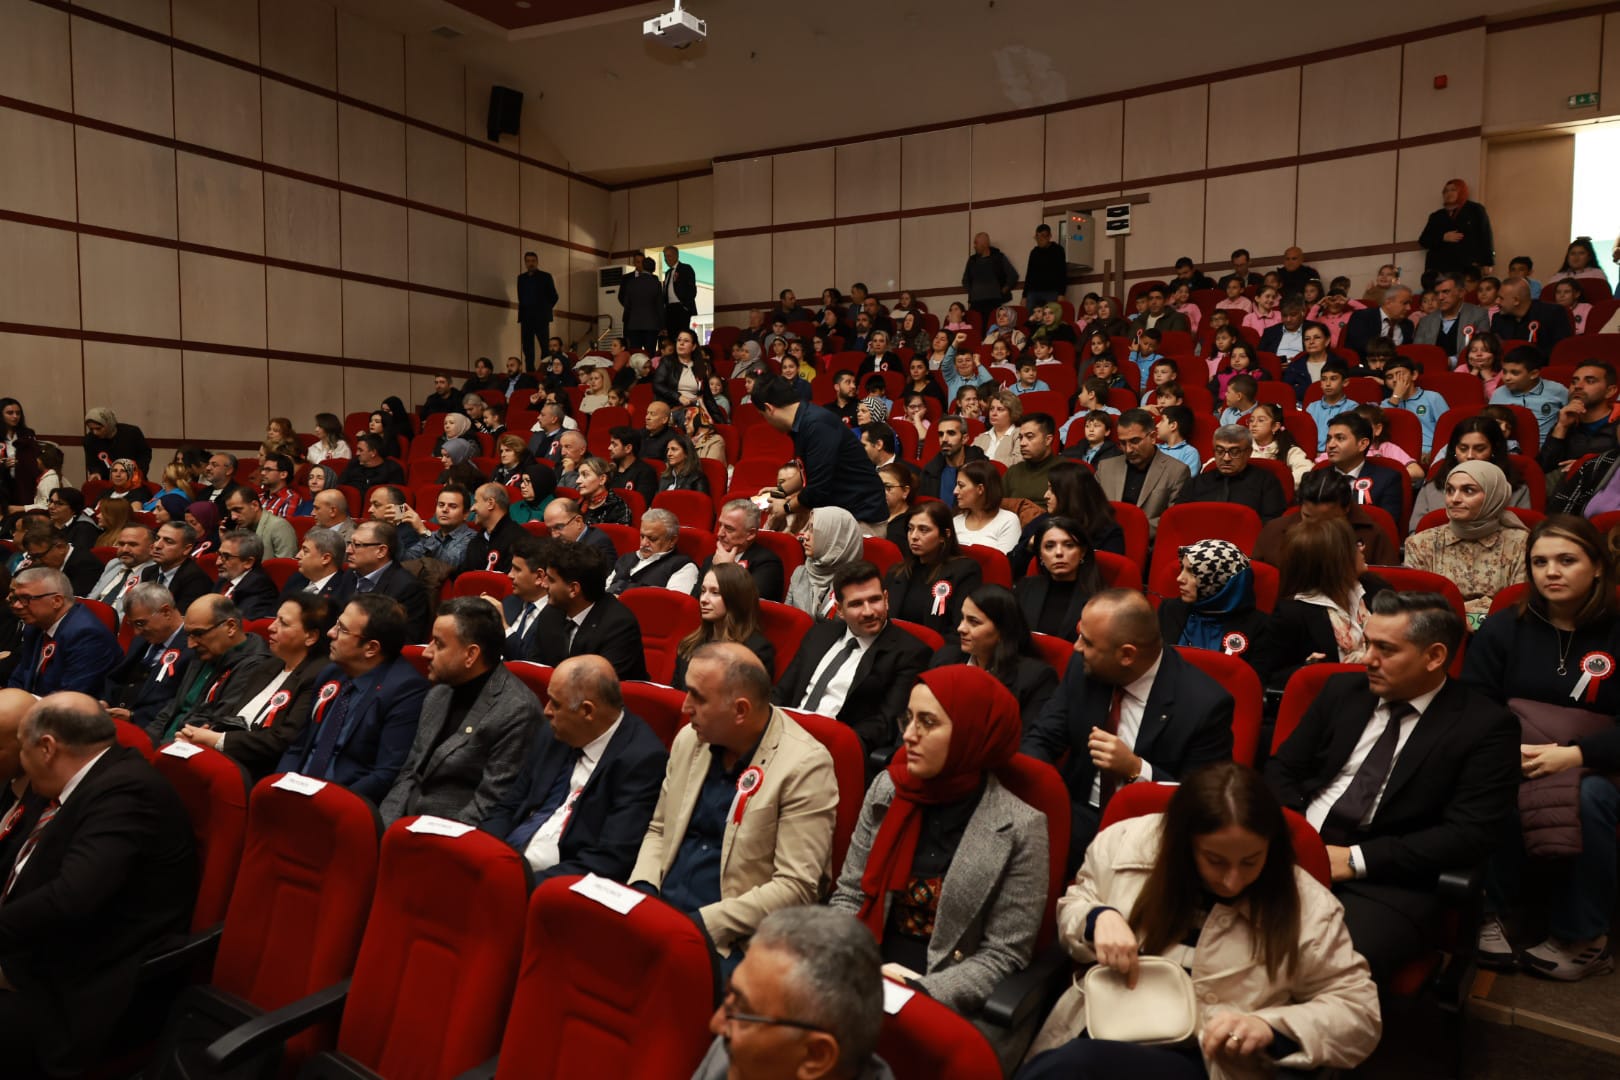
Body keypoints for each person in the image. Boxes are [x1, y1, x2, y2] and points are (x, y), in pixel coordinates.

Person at [1021, 762, 1381, 1079]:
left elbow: (1358, 1012)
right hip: (1106, 1021)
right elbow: (1076, 902)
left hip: (1207, 1059)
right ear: (1183, 844)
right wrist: (1097, 918)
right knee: (1075, 1063)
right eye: (1215, 861)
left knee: (1074, 1066)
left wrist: (1270, 1028)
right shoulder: (1126, 843)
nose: (1232, 881)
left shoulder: (1307, 906)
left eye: (1250, 861)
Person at [1266, 591, 1518, 983]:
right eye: (1368, 643)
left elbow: (1470, 834)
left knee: (1318, 968)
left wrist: (1355, 860)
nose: (1367, 659)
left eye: (1385, 649)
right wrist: (1294, 833)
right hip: (1292, 849)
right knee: (1213, 932)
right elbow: (1282, 769)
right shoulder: (1341, 691)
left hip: (1386, 880)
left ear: (1434, 656)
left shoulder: (1485, 726)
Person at [828, 665, 1046, 1071]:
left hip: (944, 991)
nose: (909, 735)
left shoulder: (1020, 827)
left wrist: (921, 990)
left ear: (971, 735)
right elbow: (851, 895)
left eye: (928, 722)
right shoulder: (888, 788)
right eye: (908, 719)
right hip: (862, 965)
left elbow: (1003, 955)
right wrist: (847, 966)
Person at [0, 692, 198, 1077]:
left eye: (22, 749)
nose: (19, 762)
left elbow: (70, 899)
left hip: (82, 986)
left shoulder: (128, 793)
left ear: (47, 748)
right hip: (40, 953)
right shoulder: (72, 780)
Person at [1464, 516, 1620, 979]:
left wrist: (1575, 755)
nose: (1551, 571)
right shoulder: (1504, 627)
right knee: (1487, 780)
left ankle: (1585, 937)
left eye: (1566, 560)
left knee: (1589, 797)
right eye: (1539, 562)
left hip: (1600, 761)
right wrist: (1506, 751)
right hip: (1517, 751)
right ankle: (1488, 912)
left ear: (1597, 567)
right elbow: (1474, 704)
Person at [632, 643, 839, 972]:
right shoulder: (690, 739)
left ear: (740, 710)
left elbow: (796, 887)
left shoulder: (805, 767)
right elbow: (659, 828)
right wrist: (643, 892)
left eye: (698, 697)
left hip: (730, 939)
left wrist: (697, 925)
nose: (685, 707)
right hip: (660, 910)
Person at [1022, 589, 1235, 869]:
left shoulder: (1204, 705)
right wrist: (1042, 797)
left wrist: (1136, 769)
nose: (1076, 647)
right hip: (1077, 813)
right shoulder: (1085, 667)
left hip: (1150, 832)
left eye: (1087, 641)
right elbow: (1042, 738)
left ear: (1126, 655)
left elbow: (1204, 801)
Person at [481, 653, 667, 883]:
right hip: (506, 860)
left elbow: (609, 860)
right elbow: (509, 805)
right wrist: (481, 853)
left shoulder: (641, 760)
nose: (546, 711)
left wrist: (520, 884)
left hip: (554, 882)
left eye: (556, 704)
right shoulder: (554, 732)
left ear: (587, 711)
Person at [378, 598, 540, 825]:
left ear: (470, 654)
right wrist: (385, 829)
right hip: (404, 824)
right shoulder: (439, 692)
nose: (427, 652)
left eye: (438, 644)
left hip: (449, 834)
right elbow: (409, 773)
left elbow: (489, 804)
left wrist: (428, 839)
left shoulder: (517, 711)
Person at [692, 906, 895, 1080]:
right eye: (730, 994)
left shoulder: (737, 1050)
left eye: (742, 1009)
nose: (716, 1024)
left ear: (816, 1056)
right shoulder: (730, 1053)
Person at [277, 594, 432, 801]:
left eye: (342, 629)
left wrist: (325, 801)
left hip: (343, 800)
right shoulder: (330, 673)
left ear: (371, 648)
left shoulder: (405, 690)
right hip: (297, 790)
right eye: (336, 624)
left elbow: (386, 774)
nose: (331, 632)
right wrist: (281, 786)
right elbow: (299, 745)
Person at [774, 562, 931, 758]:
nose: (869, 612)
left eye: (875, 600)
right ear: (839, 609)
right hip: (784, 736)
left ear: (886, 599)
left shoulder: (910, 653)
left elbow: (884, 724)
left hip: (832, 750)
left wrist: (827, 745)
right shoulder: (819, 634)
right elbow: (783, 692)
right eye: (856, 604)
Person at [171, 593, 332, 780]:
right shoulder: (268, 666)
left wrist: (217, 740)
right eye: (275, 619)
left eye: (283, 623)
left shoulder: (317, 676)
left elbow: (283, 740)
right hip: (227, 758)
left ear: (310, 636)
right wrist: (205, 733)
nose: (271, 627)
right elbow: (233, 717)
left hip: (259, 773)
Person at [1255, 516, 1393, 692]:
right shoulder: (1292, 614)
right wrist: (1307, 670)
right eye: (1355, 545)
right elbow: (1267, 678)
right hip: (1335, 697)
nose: (1362, 548)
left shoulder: (1377, 588)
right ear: (1335, 560)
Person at [756, 374, 888, 532]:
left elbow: (816, 489)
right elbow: (811, 469)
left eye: (763, 416)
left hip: (861, 517)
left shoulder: (817, 424)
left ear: (769, 408)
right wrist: (780, 491)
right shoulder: (803, 421)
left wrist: (785, 507)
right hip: (844, 514)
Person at [930, 586, 1057, 729]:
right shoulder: (945, 659)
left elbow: (1027, 738)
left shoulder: (1035, 679)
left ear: (1003, 630)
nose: (961, 628)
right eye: (962, 618)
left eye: (973, 622)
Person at [528, 541, 648, 682]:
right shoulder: (551, 613)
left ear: (573, 589)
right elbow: (535, 669)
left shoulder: (619, 626)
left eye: (551, 580)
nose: (543, 584)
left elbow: (601, 687)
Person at [6, 567, 122, 696]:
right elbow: (19, 678)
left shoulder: (89, 636)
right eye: (15, 598)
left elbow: (71, 696)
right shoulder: (34, 626)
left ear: (57, 601)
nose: (16, 605)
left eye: (25, 598)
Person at [1253, 469, 1400, 569]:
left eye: (1326, 521)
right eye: (1308, 517)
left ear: (1346, 508)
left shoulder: (1373, 535)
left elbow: (1387, 590)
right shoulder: (1275, 531)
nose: (1316, 526)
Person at [1410, 416, 1529, 530]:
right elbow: (1416, 533)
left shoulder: (1516, 490)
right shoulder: (1432, 488)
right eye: (1463, 449)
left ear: (1494, 450)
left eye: (1480, 449)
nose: (1470, 456)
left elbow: (1523, 534)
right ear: (1454, 450)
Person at [885, 502, 982, 638]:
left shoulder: (964, 572)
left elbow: (958, 630)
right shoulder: (896, 572)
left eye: (924, 530)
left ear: (944, 535)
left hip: (935, 649)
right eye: (910, 529)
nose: (914, 536)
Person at [675, 564, 775, 691]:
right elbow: (675, 693)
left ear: (735, 599)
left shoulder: (755, 651)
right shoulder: (689, 644)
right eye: (703, 591)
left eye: (715, 593)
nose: (703, 599)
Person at [1095, 409, 1190, 538]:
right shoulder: (1105, 467)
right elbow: (1091, 510)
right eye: (1123, 443)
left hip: (1148, 544)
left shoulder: (1177, 471)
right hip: (1104, 540)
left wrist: (1129, 530)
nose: (1128, 449)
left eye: (1134, 441)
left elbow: (1173, 521)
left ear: (1153, 437)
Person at [1014, 517, 1105, 642]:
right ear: (1040, 555)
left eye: (1069, 545)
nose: (1058, 553)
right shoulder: (1024, 588)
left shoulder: (1100, 599)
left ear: (1082, 552)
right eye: (1049, 546)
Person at [1172, 424, 1287, 522]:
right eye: (1220, 451)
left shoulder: (1266, 482)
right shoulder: (1197, 483)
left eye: (1235, 452)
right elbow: (1178, 518)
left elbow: (1272, 525)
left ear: (1248, 452)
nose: (1226, 458)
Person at [1320, 413, 1404, 526]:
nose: (1330, 445)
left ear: (1363, 444)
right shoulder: (1315, 478)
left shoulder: (1387, 480)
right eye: (1329, 439)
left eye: (1340, 438)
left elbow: (1387, 526)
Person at [1539, 359, 1619, 478]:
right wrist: (1561, 427)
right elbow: (1542, 470)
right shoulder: (1566, 422)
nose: (1578, 386)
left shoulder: (1617, 423)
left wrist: (1585, 465)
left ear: (1610, 391)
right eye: (1574, 382)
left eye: (1590, 381)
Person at [697, 499, 786, 604]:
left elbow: (750, 604)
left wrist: (727, 569)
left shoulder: (767, 563)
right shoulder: (711, 560)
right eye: (720, 525)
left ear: (750, 534)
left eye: (729, 528)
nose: (720, 534)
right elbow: (695, 600)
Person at [782, 506, 862, 620]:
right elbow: (786, 620)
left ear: (834, 539)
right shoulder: (800, 574)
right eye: (807, 528)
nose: (805, 536)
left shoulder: (858, 583)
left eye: (813, 531)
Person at [606, 508, 699, 596]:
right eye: (642, 536)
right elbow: (604, 591)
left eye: (652, 539)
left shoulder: (683, 567)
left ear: (672, 540)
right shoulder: (625, 559)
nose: (643, 543)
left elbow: (673, 605)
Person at [1419, 178, 1495, 275]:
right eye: (1445, 191)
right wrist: (1443, 237)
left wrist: (1488, 262)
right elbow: (1424, 240)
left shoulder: (1475, 210)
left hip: (1467, 267)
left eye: (1453, 190)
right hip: (1440, 268)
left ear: (1462, 191)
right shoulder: (1436, 216)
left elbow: (1486, 235)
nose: (1449, 193)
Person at [139, 521, 215, 613]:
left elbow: (181, 617)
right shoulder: (148, 572)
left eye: (168, 541)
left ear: (186, 549)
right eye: (157, 538)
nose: (157, 545)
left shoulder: (196, 579)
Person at [952, 460, 1022, 555]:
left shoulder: (1008, 521)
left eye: (961, 486)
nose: (955, 491)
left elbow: (1003, 562)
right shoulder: (955, 521)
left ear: (980, 489)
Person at [1491, 277, 1571, 359]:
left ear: (1516, 301)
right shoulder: (1498, 318)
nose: (1496, 302)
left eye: (1501, 298)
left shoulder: (1552, 313)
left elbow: (1560, 349)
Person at [16, 522, 101, 597]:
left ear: (61, 547)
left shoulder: (86, 565)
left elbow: (72, 601)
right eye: (32, 556)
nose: (37, 561)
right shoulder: (41, 562)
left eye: (39, 556)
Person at [919, 415, 986, 506]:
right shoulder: (929, 472)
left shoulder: (980, 470)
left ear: (964, 439)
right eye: (941, 434)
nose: (944, 439)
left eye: (951, 433)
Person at [542, 496, 620, 567]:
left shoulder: (599, 544)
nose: (554, 535)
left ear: (578, 521)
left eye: (559, 527)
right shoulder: (556, 544)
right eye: (550, 529)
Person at [1002, 414, 1062, 503]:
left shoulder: (1064, 471)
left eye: (1029, 437)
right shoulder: (1013, 471)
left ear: (1048, 440)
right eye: (1021, 437)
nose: (1022, 443)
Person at [1248, 402, 1312, 484]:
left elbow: (1306, 470)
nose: (1253, 424)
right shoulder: (1244, 447)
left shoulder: (1288, 449)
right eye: (1251, 420)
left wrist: (1277, 483)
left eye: (1261, 420)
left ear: (1275, 426)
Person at [81, 406, 151, 482]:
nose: (95, 432)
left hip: (133, 479)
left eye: (98, 428)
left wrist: (138, 472)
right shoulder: (90, 439)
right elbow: (92, 462)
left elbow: (144, 454)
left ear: (109, 424)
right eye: (91, 429)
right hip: (107, 481)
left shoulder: (132, 433)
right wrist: (95, 472)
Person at [1342, 285, 1414, 357]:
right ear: (1388, 302)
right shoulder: (1362, 317)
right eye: (1405, 303)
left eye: (1410, 304)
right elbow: (1359, 348)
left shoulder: (1408, 325)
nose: (1409, 308)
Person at [962, 232, 1019, 322]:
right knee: (976, 326)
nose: (974, 246)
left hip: (994, 302)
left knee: (993, 327)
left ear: (984, 244)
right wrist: (972, 292)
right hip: (976, 303)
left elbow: (1013, 275)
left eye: (976, 243)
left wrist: (1004, 290)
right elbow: (965, 280)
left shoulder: (999, 258)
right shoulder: (972, 260)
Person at [517, 250, 559, 371]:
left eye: (533, 261)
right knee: (527, 348)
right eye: (528, 261)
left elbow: (554, 296)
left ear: (537, 262)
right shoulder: (521, 278)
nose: (531, 263)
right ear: (525, 263)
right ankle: (530, 372)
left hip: (541, 317)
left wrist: (544, 309)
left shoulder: (545, 277)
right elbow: (521, 297)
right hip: (526, 317)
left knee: (545, 347)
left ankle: (545, 371)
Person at [618, 255, 664, 354]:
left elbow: (627, 303)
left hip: (634, 324)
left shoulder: (632, 283)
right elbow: (660, 306)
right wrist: (662, 325)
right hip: (651, 324)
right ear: (654, 269)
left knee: (635, 353)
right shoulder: (656, 283)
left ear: (643, 267)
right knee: (649, 353)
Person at [972, 390, 1024, 470]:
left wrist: (985, 463)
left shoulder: (1020, 434)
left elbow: (1018, 461)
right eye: (992, 409)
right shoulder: (981, 438)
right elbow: (969, 461)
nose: (994, 413)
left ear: (1012, 413)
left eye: (1000, 409)